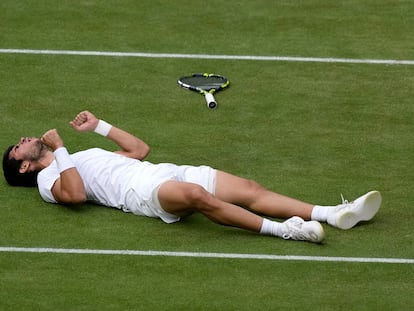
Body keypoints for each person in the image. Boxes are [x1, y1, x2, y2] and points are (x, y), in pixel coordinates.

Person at [2, 111, 382, 243]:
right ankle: (285, 230)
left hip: (160, 171)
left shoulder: (78, 155)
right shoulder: (45, 181)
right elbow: (77, 195)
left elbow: (138, 150)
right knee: (201, 199)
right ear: (23, 166)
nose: (21, 141)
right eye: (16, 148)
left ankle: (330, 213)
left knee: (249, 189)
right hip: (143, 193)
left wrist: (100, 126)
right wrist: (62, 148)